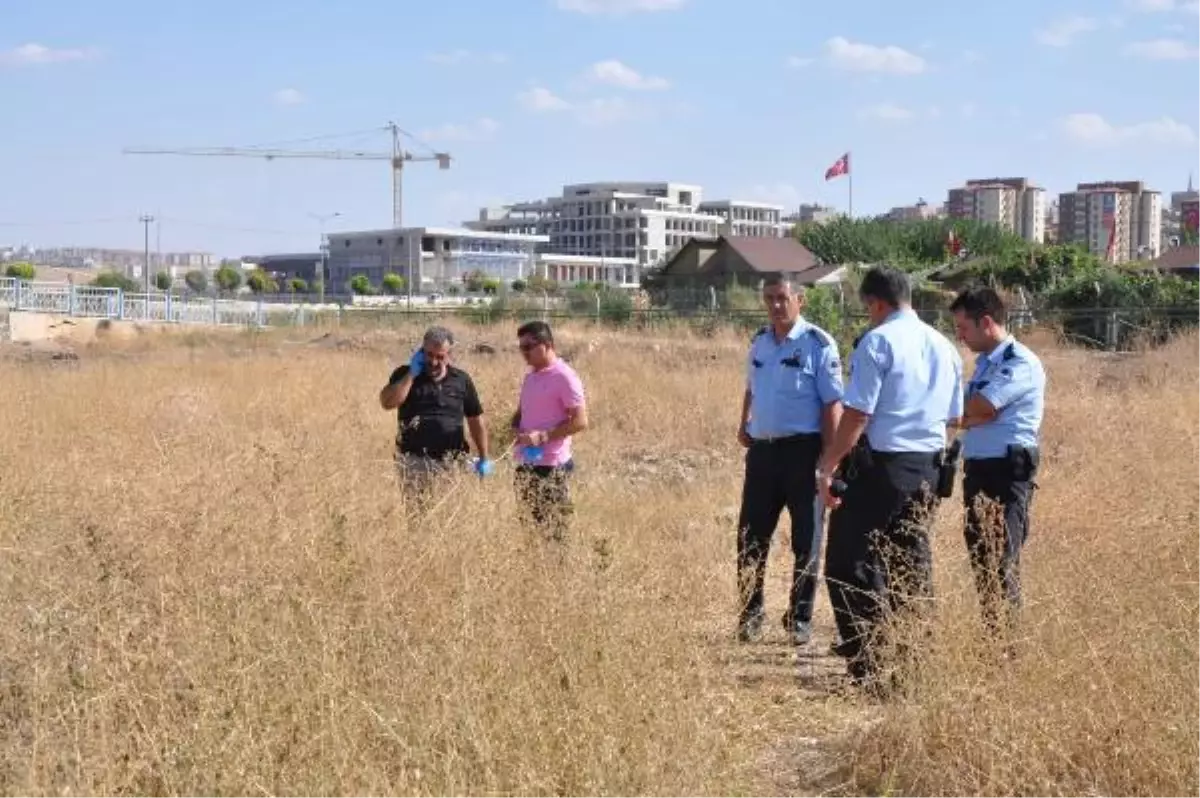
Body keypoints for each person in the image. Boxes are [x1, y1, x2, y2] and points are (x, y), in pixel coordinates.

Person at [815, 266, 963, 689]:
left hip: (885, 466)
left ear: (875, 303)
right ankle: (913, 664)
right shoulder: (945, 345)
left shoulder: (878, 342)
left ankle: (873, 667)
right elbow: (953, 417)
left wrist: (828, 464)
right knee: (909, 566)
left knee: (849, 564)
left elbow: (858, 413)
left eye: (867, 309)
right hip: (929, 468)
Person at [735, 275, 843, 645]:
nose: (775, 305)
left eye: (782, 298)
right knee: (751, 537)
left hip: (804, 452)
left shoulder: (818, 344)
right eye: (769, 299)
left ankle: (799, 620)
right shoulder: (760, 343)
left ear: (800, 300)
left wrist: (830, 460)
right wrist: (743, 422)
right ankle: (749, 615)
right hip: (763, 453)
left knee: (807, 540)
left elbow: (833, 404)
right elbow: (752, 387)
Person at [949, 286, 1045, 638]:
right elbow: (969, 414)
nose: (960, 336)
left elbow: (977, 408)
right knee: (981, 558)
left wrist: (976, 415)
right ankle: (993, 638)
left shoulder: (1020, 362)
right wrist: (975, 416)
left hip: (1007, 471)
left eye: (964, 328)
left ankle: (1008, 645)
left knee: (1002, 559)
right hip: (979, 469)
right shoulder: (985, 365)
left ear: (986, 322)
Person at [379, 326, 492, 507]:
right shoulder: (404, 374)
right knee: (417, 520)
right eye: (428, 354)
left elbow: (475, 420)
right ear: (421, 351)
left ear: (449, 355)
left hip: (452, 463)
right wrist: (411, 374)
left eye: (440, 356)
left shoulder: (461, 380)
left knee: (449, 523)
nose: (433, 361)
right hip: (414, 463)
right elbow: (387, 403)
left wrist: (484, 458)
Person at [510, 321, 588, 541]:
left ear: (547, 345)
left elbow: (581, 421)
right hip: (526, 463)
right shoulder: (531, 376)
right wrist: (515, 425)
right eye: (521, 348)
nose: (524, 353)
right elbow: (523, 410)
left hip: (552, 466)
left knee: (555, 534)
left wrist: (542, 436)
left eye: (528, 347)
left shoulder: (565, 377)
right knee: (530, 530)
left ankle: (557, 573)